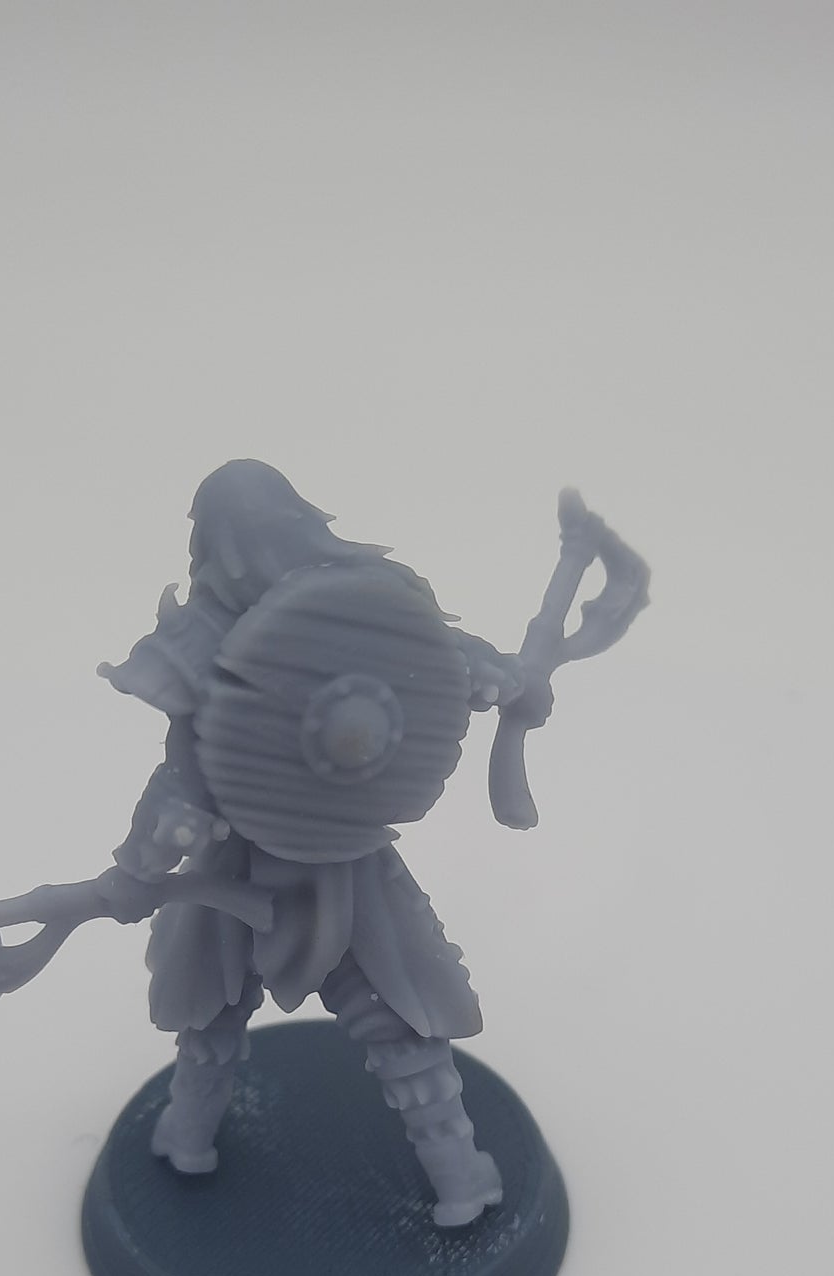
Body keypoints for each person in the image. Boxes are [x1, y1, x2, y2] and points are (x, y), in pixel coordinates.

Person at [96, 461, 529, 1227]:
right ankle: (190, 1135)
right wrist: (144, 858)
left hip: (341, 868)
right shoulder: (202, 642)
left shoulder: (357, 607)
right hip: (246, 872)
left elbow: (432, 659)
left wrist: (497, 677)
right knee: (219, 1020)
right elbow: (185, 776)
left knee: (397, 1026)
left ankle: (459, 1178)